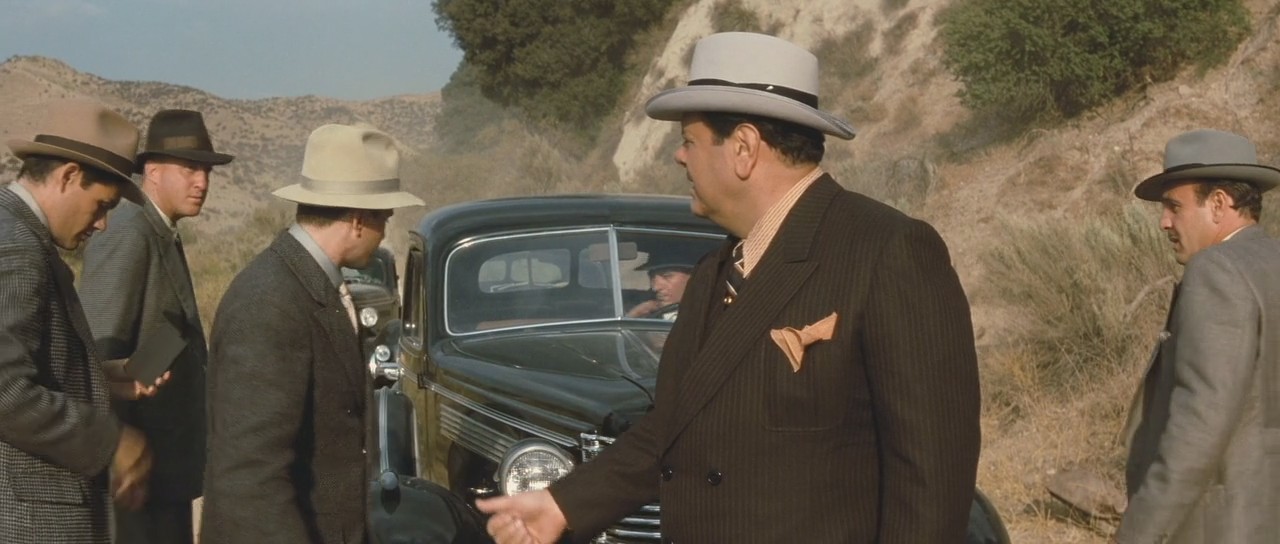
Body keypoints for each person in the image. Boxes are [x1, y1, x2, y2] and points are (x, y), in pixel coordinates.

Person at [478, 31, 981, 543]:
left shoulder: (887, 251)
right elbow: (672, 428)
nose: (680, 157)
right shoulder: (713, 274)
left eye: (689, 141)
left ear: (743, 148)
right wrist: (562, 504)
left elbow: (931, 482)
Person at [199, 124, 423, 543]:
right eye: (384, 218)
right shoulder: (270, 302)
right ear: (358, 220)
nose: (383, 234)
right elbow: (251, 477)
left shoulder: (311, 286)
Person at [0, 99, 157, 543]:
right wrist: (112, 440)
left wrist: (97, 377)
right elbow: (5, 389)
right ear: (69, 176)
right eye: (101, 205)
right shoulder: (17, 248)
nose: (102, 225)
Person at [1116, 129, 1280, 543]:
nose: (1164, 222)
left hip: (1221, 527)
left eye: (1175, 206)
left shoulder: (1215, 270)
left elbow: (1199, 423)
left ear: (1219, 204)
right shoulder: (1270, 262)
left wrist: (1140, 530)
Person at [79, 109, 234, 544]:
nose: (202, 182)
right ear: (152, 171)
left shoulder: (159, 231)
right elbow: (96, 352)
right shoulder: (129, 231)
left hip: (161, 473)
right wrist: (118, 447)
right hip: (133, 480)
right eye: (189, 169)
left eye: (206, 172)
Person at [625, 253, 694, 320]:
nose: (655, 288)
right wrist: (634, 316)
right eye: (652, 278)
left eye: (667, 276)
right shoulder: (645, 310)